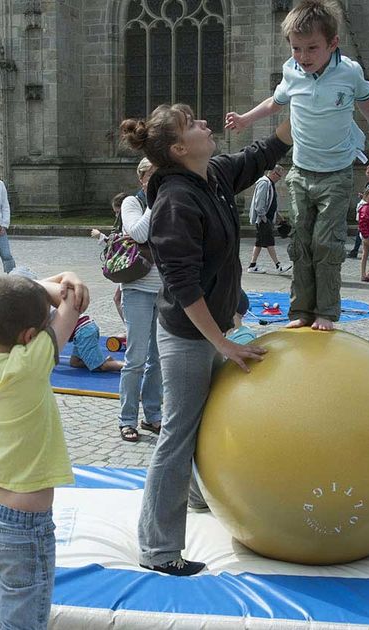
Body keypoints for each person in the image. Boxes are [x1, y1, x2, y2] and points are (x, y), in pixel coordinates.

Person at [121, 98, 291, 575]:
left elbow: (263, 153)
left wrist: (303, 93)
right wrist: (224, 343)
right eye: (193, 124)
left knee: (203, 417)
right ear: (179, 148)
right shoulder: (175, 201)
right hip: (189, 335)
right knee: (177, 433)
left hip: (216, 327)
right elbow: (182, 285)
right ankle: (158, 550)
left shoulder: (211, 175)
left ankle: (196, 495)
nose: (205, 122)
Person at [225, 0, 369, 331]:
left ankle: (326, 311)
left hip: (337, 172)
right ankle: (300, 310)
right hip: (301, 171)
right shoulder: (291, 72)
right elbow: (275, 102)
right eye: (297, 48)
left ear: (333, 44)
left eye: (312, 48)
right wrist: (245, 118)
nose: (304, 56)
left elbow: (368, 105)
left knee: (326, 242)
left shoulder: (349, 72)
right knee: (301, 242)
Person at [0, 271, 89, 630]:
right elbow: (70, 306)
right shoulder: (30, 366)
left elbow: (11, 298)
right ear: (30, 337)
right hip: (23, 528)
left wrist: (55, 284)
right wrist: (70, 279)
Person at [115, 157, 164, 443]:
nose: (158, 180)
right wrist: (155, 200)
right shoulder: (132, 204)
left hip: (163, 289)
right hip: (136, 288)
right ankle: (127, 419)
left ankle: (153, 415)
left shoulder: (167, 200)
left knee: (157, 359)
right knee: (135, 357)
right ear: (141, 178)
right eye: (152, 176)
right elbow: (139, 233)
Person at [91, 192, 127, 323]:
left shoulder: (127, 223)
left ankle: (130, 329)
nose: (116, 216)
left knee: (119, 298)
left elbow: (118, 246)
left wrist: (100, 236)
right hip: (129, 268)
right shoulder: (125, 223)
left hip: (129, 269)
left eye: (117, 212)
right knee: (118, 298)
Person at [247, 165, 287, 274]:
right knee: (270, 242)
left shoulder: (270, 184)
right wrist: (263, 218)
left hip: (266, 218)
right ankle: (278, 266)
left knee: (259, 243)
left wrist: (279, 216)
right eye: (279, 176)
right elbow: (259, 203)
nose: (280, 179)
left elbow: (271, 203)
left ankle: (252, 265)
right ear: (274, 173)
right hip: (263, 219)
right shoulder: (264, 183)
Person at [347, 164, 369, 258]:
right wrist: (362, 196)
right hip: (367, 209)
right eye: (368, 172)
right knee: (361, 230)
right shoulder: (367, 184)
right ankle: (355, 250)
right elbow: (367, 196)